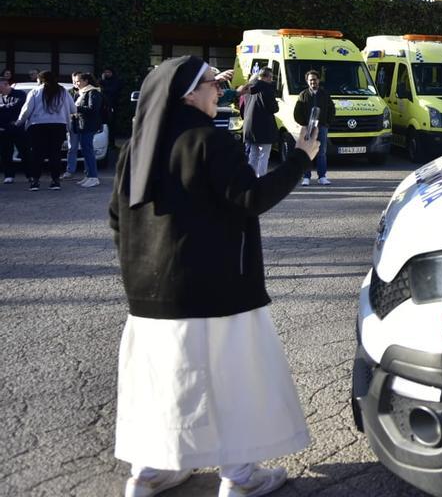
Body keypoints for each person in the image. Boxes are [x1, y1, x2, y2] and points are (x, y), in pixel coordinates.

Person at [109, 56, 319, 497]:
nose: (219, 91)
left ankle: (149, 472)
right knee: (230, 380)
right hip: (217, 291)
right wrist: (301, 157)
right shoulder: (209, 141)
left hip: (148, 295)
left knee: (162, 382)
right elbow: (251, 197)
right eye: (212, 84)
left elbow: (117, 219)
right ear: (187, 93)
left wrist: (139, 265)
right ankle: (238, 477)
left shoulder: (136, 147)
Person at [16, 71, 72, 191]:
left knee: (37, 154)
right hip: (59, 125)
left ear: (40, 80)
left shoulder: (35, 91)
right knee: (55, 154)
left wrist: (19, 122)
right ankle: (55, 181)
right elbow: (73, 108)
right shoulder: (63, 91)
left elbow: (26, 110)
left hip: (38, 126)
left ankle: (35, 182)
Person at [292, 70, 334, 186]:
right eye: (310, 80)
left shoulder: (325, 94)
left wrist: (327, 123)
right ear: (307, 81)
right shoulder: (303, 95)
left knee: (322, 152)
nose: (312, 82)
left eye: (314, 79)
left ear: (318, 80)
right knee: (307, 152)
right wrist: (304, 124)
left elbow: (332, 109)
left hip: (321, 127)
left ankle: (322, 177)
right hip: (307, 128)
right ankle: (306, 177)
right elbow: (297, 112)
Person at [242, 68, 279, 178]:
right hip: (264, 126)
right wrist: (276, 105)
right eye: (271, 77)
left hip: (249, 125)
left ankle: (250, 178)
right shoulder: (266, 88)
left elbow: (242, 106)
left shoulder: (248, 87)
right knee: (264, 155)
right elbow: (273, 108)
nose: (271, 80)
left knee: (253, 155)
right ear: (266, 77)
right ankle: (261, 178)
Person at [71, 71, 105, 188]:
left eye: (78, 81)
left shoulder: (93, 92)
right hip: (81, 125)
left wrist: (76, 108)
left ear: (86, 81)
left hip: (89, 125)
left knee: (88, 151)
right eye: (75, 81)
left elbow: (92, 109)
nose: (76, 83)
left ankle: (93, 177)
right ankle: (88, 175)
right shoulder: (80, 92)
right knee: (85, 151)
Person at [0, 74, 27, 184]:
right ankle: (8, 175)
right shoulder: (1, 97)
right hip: (4, 129)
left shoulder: (19, 94)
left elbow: (17, 106)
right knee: (5, 153)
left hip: (18, 128)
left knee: (24, 152)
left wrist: (2, 108)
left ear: (6, 85)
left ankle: (30, 175)